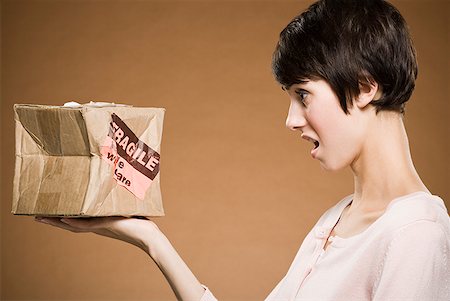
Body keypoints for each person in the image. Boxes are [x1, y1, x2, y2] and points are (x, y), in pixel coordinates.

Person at [35, 0, 450, 300]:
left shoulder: (416, 233)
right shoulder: (338, 219)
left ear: (364, 86)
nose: (291, 120)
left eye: (303, 95)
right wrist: (149, 238)